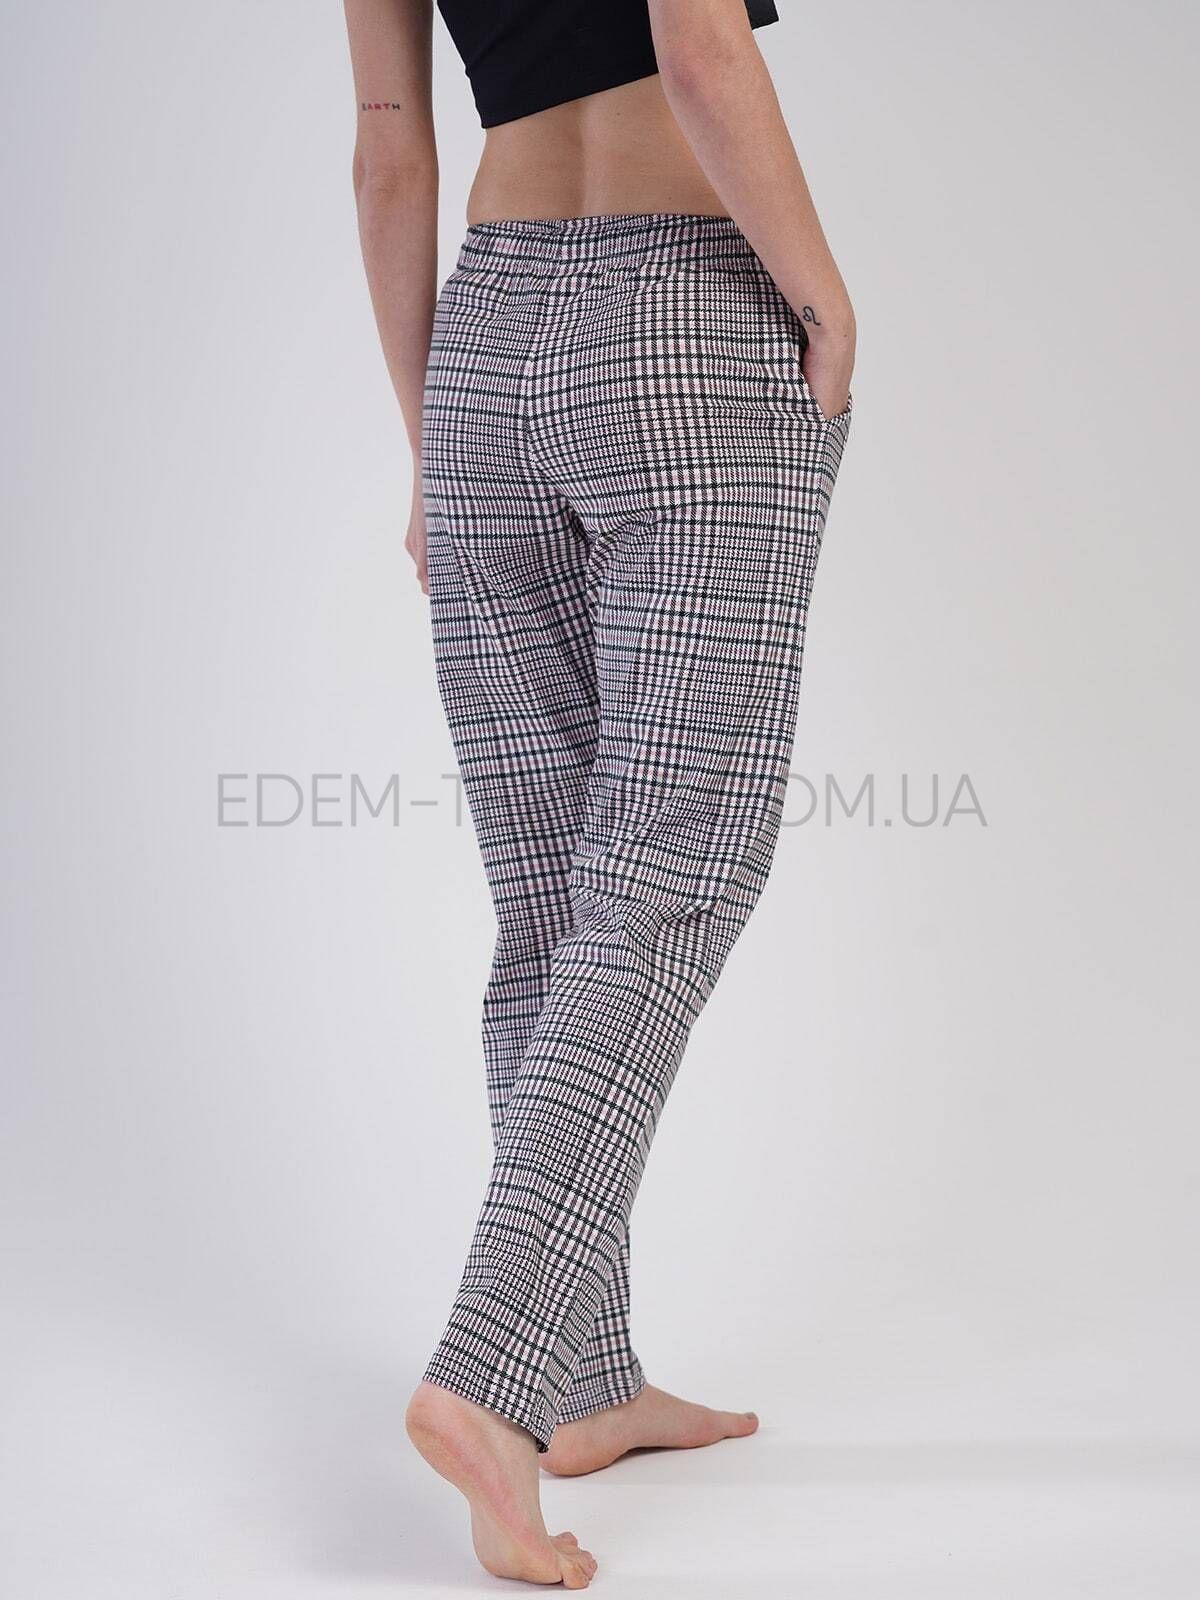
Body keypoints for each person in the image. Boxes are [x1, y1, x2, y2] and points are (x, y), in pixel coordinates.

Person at [344, 0, 855, 1586]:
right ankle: (491, 1381)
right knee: (671, 877)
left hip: (486, 342)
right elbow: (700, 52)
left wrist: (434, 445)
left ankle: (582, 1381)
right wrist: (822, 298)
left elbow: (388, 155)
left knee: (558, 901)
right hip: (692, 315)